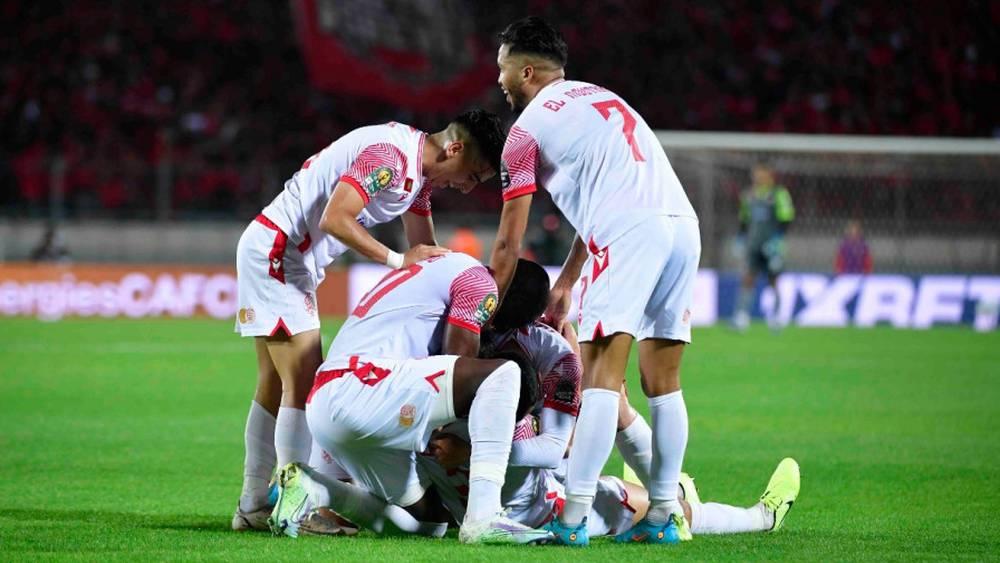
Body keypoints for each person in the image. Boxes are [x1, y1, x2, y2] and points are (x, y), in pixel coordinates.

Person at [232, 111, 505, 531]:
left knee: (273, 383)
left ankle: (253, 504)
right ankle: (293, 505)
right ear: (454, 149)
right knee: (303, 381)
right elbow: (336, 218)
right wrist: (395, 260)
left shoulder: (418, 177)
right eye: (472, 175)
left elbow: (425, 250)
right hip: (280, 252)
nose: (468, 187)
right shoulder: (390, 157)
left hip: (286, 254)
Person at [489, 17, 700, 545]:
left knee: (601, 375)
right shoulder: (600, 97)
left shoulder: (524, 132)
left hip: (628, 233)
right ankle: (663, 516)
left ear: (527, 72)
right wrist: (567, 280)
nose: (499, 80)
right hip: (681, 226)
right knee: (663, 381)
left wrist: (487, 306)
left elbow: (509, 243)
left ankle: (573, 519)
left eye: (503, 68)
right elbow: (604, 195)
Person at [268, 252, 553, 545]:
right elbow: (458, 359)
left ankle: (313, 488)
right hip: (360, 386)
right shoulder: (478, 283)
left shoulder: (439, 271)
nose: (489, 327)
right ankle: (484, 517)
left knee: (429, 523)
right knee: (505, 373)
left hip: (335, 402)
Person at [426, 417, 801, 539]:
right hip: (543, 513)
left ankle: (671, 485)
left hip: (537, 483)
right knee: (668, 511)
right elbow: (563, 446)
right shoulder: (506, 408)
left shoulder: (427, 425)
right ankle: (762, 517)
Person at [732, 164, 795, 331]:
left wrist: (777, 240)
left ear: (769, 174)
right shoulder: (748, 195)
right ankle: (742, 317)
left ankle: (776, 317)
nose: (757, 177)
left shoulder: (779, 194)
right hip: (753, 244)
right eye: (755, 173)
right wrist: (740, 238)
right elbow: (744, 220)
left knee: (773, 280)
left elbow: (786, 219)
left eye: (761, 173)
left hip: (771, 246)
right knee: (748, 278)